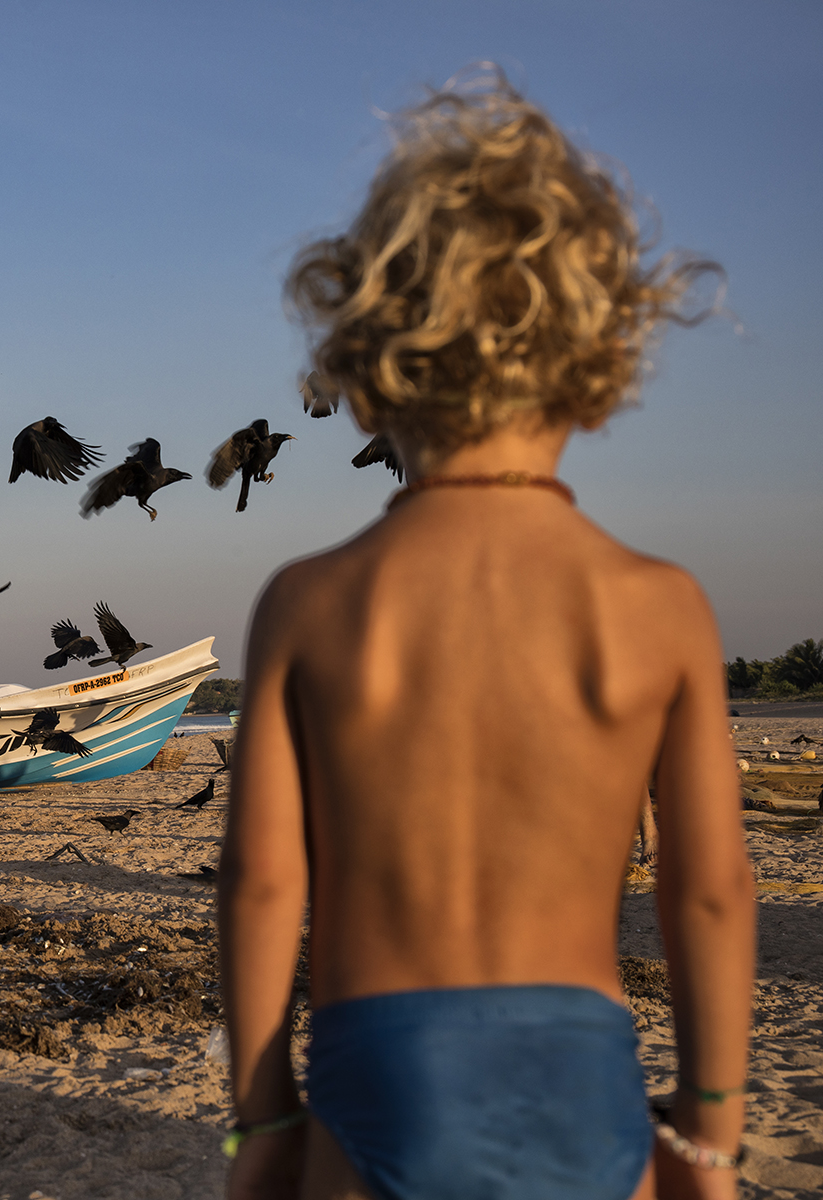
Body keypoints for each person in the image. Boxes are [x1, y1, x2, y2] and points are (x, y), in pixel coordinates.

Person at [217, 74, 752, 1200]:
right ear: (600, 365)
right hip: (586, 1082)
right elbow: (708, 890)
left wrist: (263, 1126)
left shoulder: (314, 602)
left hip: (377, 1077)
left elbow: (262, 885)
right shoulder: (657, 606)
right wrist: (708, 1131)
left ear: (369, 371)